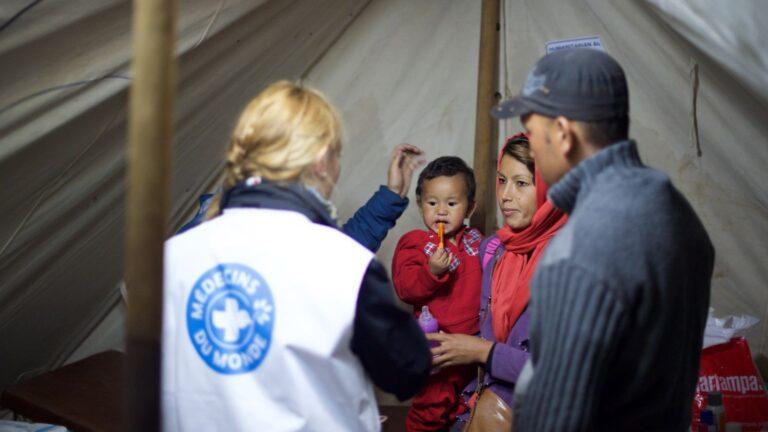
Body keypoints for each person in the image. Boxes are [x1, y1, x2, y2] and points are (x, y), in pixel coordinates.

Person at [162, 81, 432, 431]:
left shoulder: (171, 259)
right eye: (336, 156)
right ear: (321, 160)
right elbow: (408, 371)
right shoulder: (342, 263)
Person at [493, 49, 715, 430]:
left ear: (562, 134)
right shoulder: (678, 212)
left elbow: (556, 418)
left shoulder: (580, 246)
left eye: (532, 132)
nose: (531, 144)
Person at [425, 135, 567, 430]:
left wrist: (480, 351)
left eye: (522, 183)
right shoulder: (494, 251)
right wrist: (447, 348)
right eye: (502, 180)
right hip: (487, 402)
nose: (505, 195)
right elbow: (484, 328)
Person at [178, 143, 426, 253]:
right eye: (332, 158)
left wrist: (393, 193)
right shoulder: (222, 231)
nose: (333, 172)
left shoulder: (287, 221)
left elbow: (340, 253)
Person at [391, 156, 483, 431]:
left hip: (474, 345)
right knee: (431, 408)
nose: (441, 211)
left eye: (451, 203)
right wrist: (431, 271)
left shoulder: (477, 241)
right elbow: (406, 288)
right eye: (432, 203)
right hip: (437, 348)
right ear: (420, 205)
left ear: (470, 207)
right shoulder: (416, 243)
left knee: (465, 408)